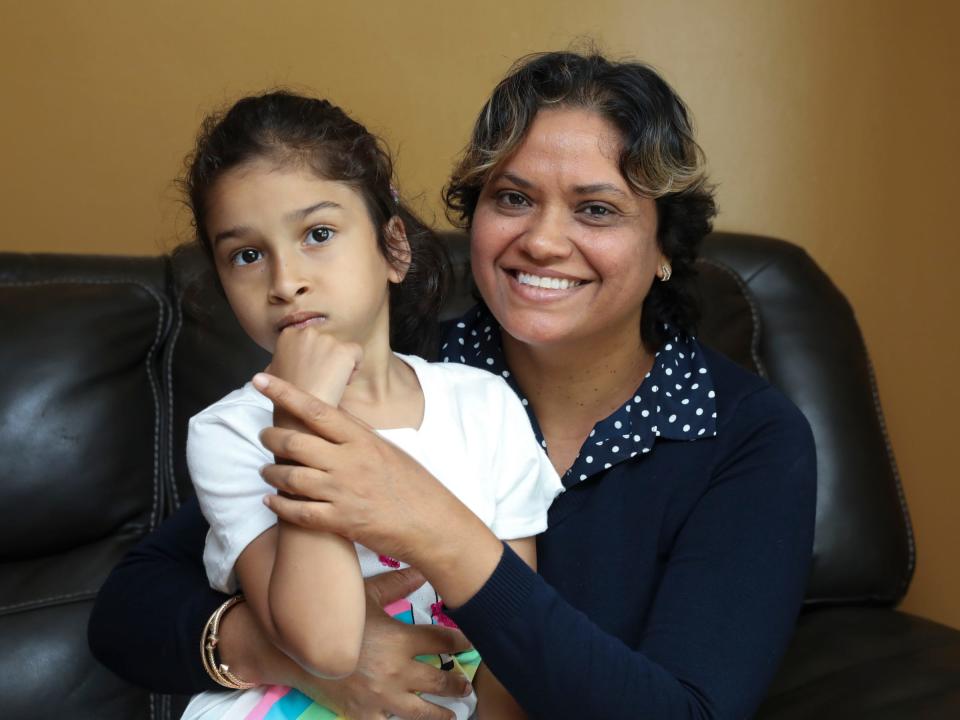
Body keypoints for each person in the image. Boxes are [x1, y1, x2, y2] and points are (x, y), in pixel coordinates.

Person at [90, 51, 817, 719]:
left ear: (666, 245)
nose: (542, 240)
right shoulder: (401, 369)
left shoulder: (742, 438)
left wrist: (436, 528)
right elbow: (129, 610)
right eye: (513, 199)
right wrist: (303, 657)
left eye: (596, 208)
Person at [162, 91, 563, 720]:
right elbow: (324, 643)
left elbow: (516, 631)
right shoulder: (230, 434)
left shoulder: (485, 406)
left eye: (318, 234)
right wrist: (304, 416)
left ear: (394, 249)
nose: (284, 280)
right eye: (246, 255)